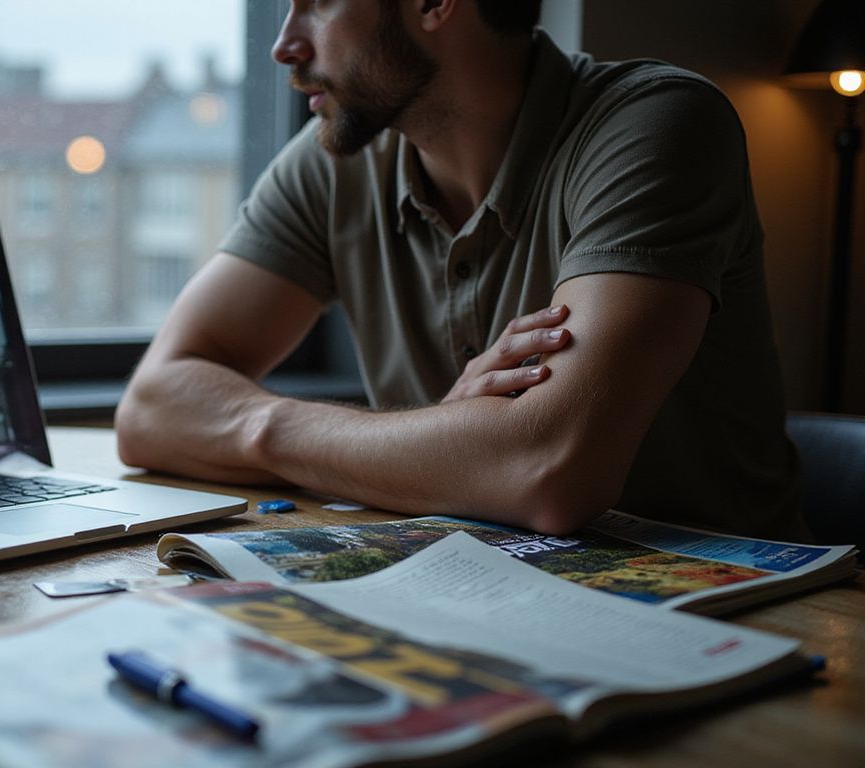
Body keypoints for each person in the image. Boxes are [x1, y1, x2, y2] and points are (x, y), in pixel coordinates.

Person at [115, 0, 810, 541]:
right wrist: (445, 439)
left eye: (320, 4)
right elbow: (150, 408)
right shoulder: (333, 164)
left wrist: (276, 431)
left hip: (737, 623)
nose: (285, 45)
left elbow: (547, 472)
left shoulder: (657, 125)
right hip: (478, 589)